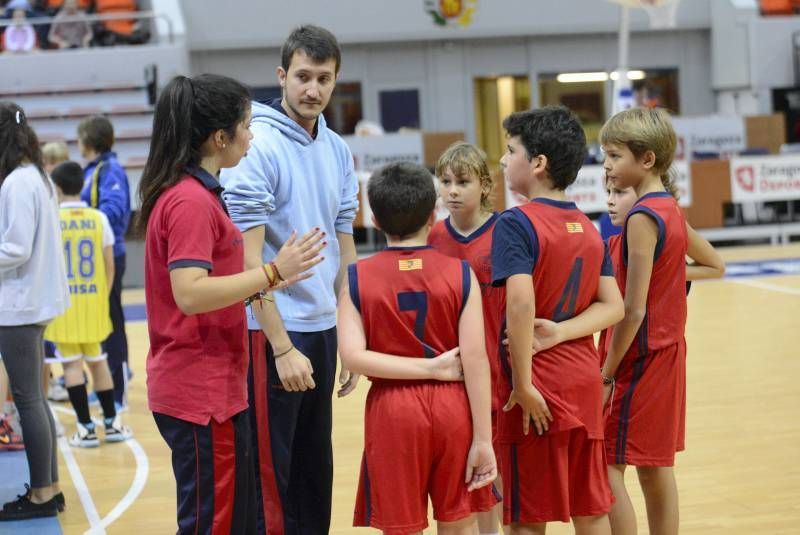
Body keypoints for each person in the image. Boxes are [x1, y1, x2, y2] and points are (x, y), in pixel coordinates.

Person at [138, 73, 325, 534]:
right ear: (220, 137)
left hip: (217, 387)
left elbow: (217, 283)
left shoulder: (199, 194)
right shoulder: (189, 202)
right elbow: (190, 292)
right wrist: (271, 272)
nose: (252, 133)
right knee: (213, 524)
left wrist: (267, 279)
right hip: (199, 392)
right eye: (245, 124)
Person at [220, 24, 359, 534]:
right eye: (303, 76)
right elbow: (245, 261)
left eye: (324, 78)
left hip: (323, 329)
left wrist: (350, 332)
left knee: (312, 475)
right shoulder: (257, 146)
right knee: (270, 480)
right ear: (282, 76)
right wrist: (280, 345)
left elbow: (346, 249)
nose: (313, 89)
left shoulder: (338, 150)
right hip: (271, 333)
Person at [338, 161, 497, 534]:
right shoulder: (460, 274)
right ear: (433, 215)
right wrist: (484, 439)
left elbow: (352, 357)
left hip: (393, 410)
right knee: (459, 524)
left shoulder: (356, 278)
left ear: (374, 219)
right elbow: (475, 360)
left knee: (401, 527)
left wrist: (426, 368)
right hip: (453, 407)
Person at [490, 106, 624, 534]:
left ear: (538, 164)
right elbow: (613, 306)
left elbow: (521, 303)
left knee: (529, 515)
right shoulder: (586, 226)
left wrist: (523, 384)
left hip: (539, 387)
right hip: (582, 380)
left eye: (510, 151)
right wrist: (564, 331)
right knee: (590, 507)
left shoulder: (515, 223)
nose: (503, 161)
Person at [598, 107, 688, 535]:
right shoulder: (669, 206)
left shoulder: (640, 218)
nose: (608, 166)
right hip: (668, 353)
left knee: (604, 464)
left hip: (638, 357)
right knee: (654, 467)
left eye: (614, 156)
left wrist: (607, 371)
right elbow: (709, 264)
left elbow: (631, 310)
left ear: (646, 159)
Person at [427, 141, 505, 534]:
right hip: (451, 375)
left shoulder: (505, 233)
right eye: (445, 181)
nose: (452, 190)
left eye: (463, 181)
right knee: (463, 476)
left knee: (498, 478)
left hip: (499, 372)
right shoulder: (433, 237)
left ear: (486, 186)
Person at [0, 102, 69, 520]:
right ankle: (50, 487)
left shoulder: (17, 183)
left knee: (28, 399)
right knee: (35, 399)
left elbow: (16, 247)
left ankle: (43, 493)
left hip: (19, 306)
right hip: (30, 302)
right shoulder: (37, 177)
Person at [45, 161, 132, 448]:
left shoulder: (51, 218)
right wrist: (101, 296)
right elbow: (109, 265)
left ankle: (85, 428)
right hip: (94, 302)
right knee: (98, 362)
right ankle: (111, 422)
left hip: (64, 305)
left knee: (72, 366)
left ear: (56, 189)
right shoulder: (99, 218)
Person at [77, 114, 131, 411]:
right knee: (100, 323)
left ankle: (119, 389)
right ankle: (106, 385)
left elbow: (113, 211)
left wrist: (84, 219)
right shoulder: (92, 170)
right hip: (93, 259)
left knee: (112, 323)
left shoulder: (109, 170)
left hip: (110, 256)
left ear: (89, 140)